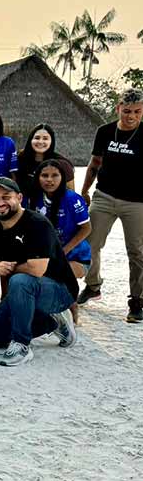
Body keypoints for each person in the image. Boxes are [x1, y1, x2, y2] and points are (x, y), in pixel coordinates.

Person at [0, 177, 77, 366]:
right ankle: (53, 322)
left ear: (19, 197)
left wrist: (8, 266)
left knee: (20, 280)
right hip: (24, 292)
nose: (0, 203)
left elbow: (36, 269)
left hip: (59, 290)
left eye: (6, 197)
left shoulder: (37, 223)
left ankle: (21, 344)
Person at [78, 89, 143, 321]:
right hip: (104, 196)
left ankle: (137, 300)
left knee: (137, 252)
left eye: (137, 111)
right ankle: (93, 285)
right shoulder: (105, 131)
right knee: (90, 243)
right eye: (126, 111)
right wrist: (85, 189)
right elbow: (95, 162)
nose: (131, 116)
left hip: (136, 202)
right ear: (118, 109)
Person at [28, 159, 91, 323]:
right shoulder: (33, 199)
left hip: (76, 256)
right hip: (47, 254)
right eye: (45, 175)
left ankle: (72, 309)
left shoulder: (72, 199)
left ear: (62, 178)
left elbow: (87, 228)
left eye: (55, 175)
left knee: (60, 275)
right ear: (38, 178)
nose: (49, 180)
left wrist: (65, 250)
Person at [15, 123, 74, 197]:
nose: (40, 142)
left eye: (45, 138)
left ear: (51, 141)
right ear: (30, 139)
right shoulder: (19, 159)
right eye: (37, 138)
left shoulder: (62, 164)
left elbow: (71, 194)